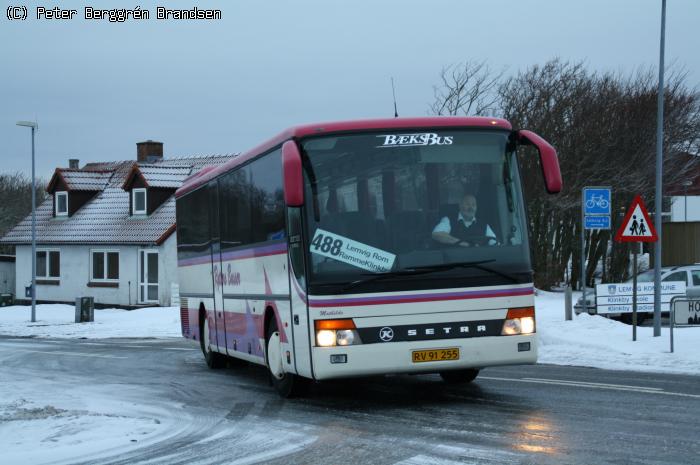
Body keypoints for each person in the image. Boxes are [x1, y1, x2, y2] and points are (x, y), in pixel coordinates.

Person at [432, 194, 498, 246]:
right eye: (467, 204)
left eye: (473, 205)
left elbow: (495, 244)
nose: (471, 207)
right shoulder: (448, 220)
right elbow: (437, 234)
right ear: (460, 205)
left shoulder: (484, 225)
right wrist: (463, 244)